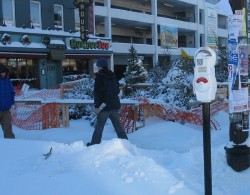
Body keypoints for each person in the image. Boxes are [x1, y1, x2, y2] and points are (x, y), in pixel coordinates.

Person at [87, 58, 128, 146]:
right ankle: (125, 142)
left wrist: (97, 107)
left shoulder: (99, 77)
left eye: (98, 66)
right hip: (114, 104)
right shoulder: (113, 76)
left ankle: (94, 144)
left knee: (99, 126)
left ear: (100, 66)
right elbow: (117, 91)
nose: (97, 68)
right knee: (118, 126)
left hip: (104, 106)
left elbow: (97, 93)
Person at [0, 63, 15, 139]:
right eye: (1, 72)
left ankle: (11, 144)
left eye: (4, 72)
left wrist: (12, 103)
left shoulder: (8, 81)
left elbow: (12, 93)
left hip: (6, 110)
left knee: (8, 129)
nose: (3, 73)